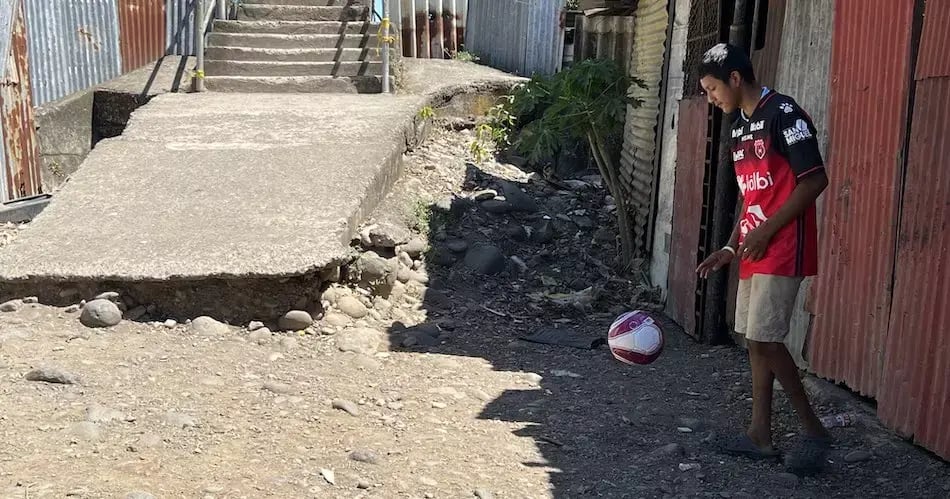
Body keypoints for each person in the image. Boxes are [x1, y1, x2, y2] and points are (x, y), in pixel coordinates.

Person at [694, 42, 831, 475]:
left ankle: (813, 429)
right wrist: (733, 246)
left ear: (735, 78)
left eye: (713, 89)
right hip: (754, 248)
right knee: (755, 340)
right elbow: (752, 196)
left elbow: (814, 181)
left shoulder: (785, 115)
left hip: (783, 245)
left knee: (767, 340)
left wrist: (767, 232)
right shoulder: (738, 128)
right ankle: (760, 435)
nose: (711, 99)